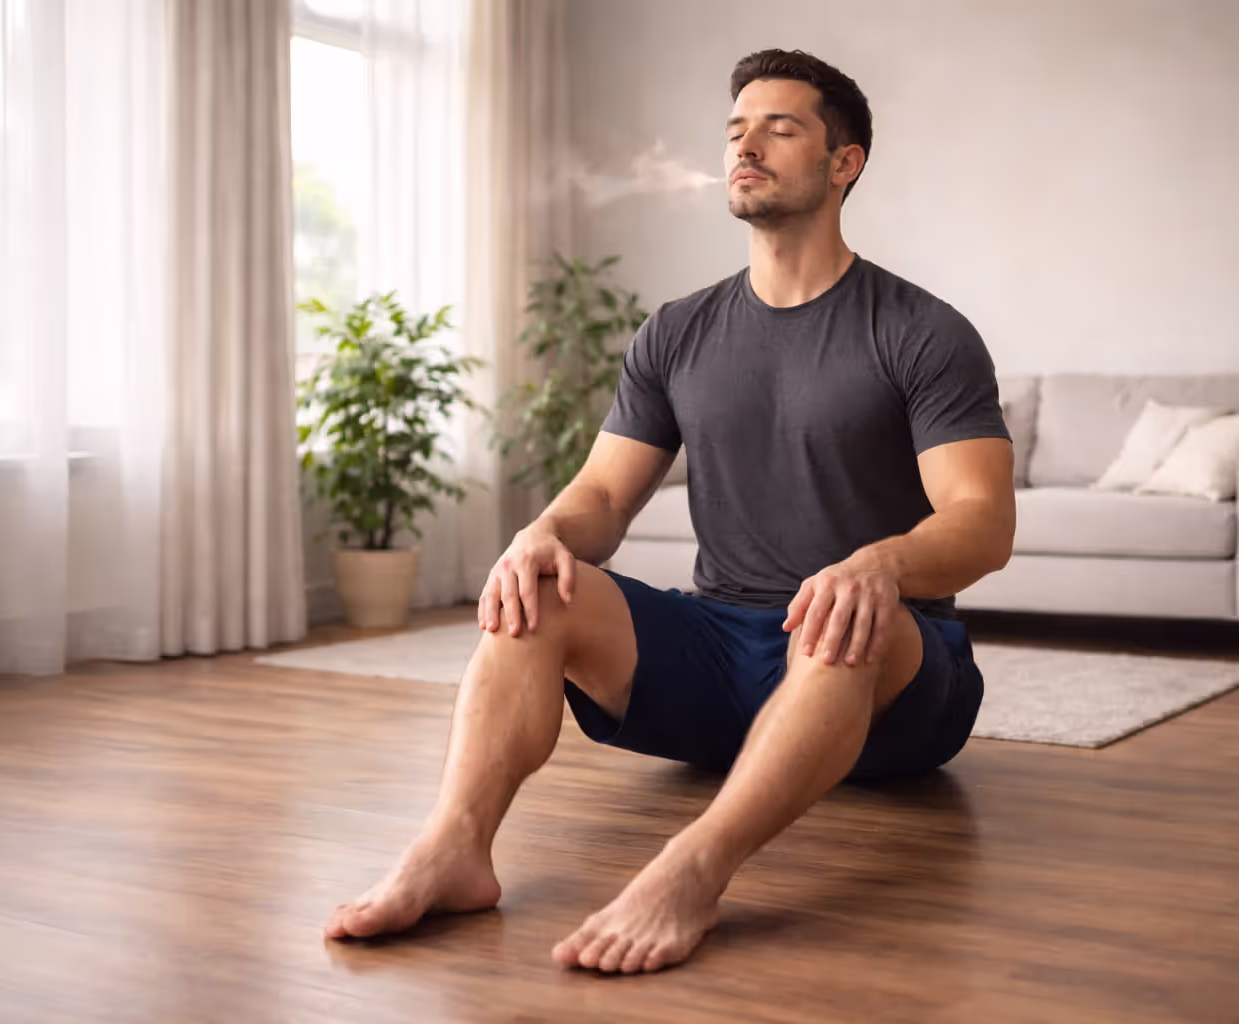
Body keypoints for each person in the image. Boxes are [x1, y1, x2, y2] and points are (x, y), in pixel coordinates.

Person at [324, 47, 1016, 975]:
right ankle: (452, 849)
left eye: (781, 127)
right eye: (736, 130)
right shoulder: (679, 330)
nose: (747, 145)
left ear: (843, 163)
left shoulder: (921, 330)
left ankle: (692, 868)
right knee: (542, 587)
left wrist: (878, 565)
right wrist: (542, 534)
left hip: (888, 675)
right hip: (724, 648)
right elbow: (604, 496)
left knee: (844, 618)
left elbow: (982, 520)